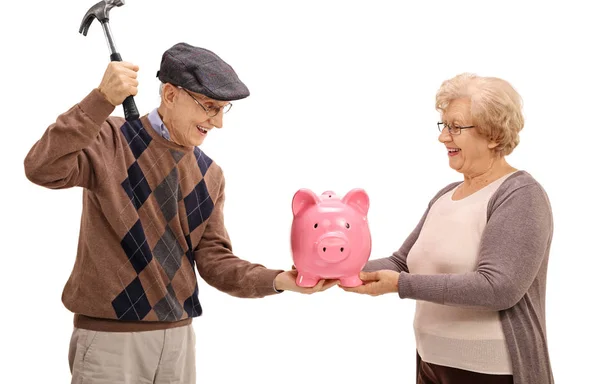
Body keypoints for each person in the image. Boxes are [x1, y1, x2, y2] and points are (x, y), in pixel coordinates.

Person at [24, 42, 337, 384]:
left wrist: (277, 280)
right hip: (111, 343)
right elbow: (42, 168)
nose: (217, 122)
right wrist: (101, 98)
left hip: (178, 342)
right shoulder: (109, 140)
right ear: (171, 95)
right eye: (209, 107)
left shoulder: (210, 174)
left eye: (223, 109)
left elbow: (214, 260)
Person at [341, 73, 554, 384]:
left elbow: (498, 288)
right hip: (432, 364)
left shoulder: (519, 195)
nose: (444, 137)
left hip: (491, 373)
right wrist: (335, 267)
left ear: (493, 134)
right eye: (444, 126)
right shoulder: (445, 195)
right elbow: (402, 263)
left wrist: (400, 285)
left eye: (456, 127)